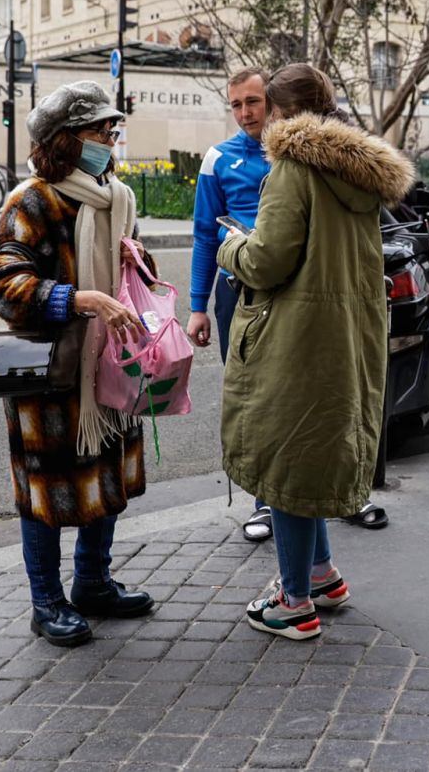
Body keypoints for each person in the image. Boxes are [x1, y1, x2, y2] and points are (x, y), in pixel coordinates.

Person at [216, 63, 413, 640]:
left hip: (297, 336)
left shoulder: (293, 169)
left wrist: (232, 246)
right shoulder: (361, 175)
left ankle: (295, 603)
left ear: (280, 113)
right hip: (347, 332)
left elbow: (267, 261)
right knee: (313, 452)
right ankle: (322, 576)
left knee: (286, 458)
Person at [0, 80, 157, 647]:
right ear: (65, 140)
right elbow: (5, 287)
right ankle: (47, 602)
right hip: (51, 374)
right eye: (98, 131)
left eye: (112, 129)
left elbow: (134, 272)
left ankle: (92, 582)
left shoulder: (117, 197)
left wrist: (138, 265)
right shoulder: (31, 200)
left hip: (109, 363)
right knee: (47, 490)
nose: (110, 138)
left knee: (103, 479)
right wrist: (77, 299)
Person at [186, 68, 275, 543]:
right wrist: (198, 306)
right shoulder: (218, 158)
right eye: (236, 105)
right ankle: (263, 502)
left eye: (253, 102)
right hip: (234, 290)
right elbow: (203, 234)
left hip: (287, 291)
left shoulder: (294, 153)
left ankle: (319, 492)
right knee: (250, 397)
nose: (245, 113)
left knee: (298, 391)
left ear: (272, 100)